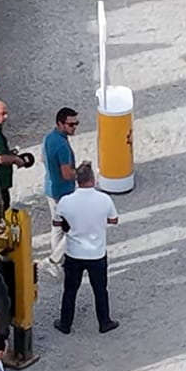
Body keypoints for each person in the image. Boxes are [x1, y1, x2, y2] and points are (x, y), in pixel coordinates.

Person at [54, 162, 120, 335]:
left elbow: (57, 223)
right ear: (92, 179)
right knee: (100, 289)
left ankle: (65, 324)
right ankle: (104, 322)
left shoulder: (66, 201)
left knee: (70, 290)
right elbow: (114, 220)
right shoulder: (104, 199)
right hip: (96, 253)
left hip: (74, 253)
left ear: (77, 181)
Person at [42, 107, 78, 275]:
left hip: (50, 188)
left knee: (57, 226)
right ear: (60, 123)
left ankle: (57, 262)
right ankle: (54, 259)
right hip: (63, 192)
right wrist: (81, 173)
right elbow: (66, 173)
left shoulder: (49, 138)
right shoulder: (62, 145)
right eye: (71, 124)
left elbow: (43, 159)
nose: (74, 127)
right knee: (74, 228)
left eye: (75, 123)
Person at [0, 100, 33, 208]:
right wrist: (15, 160)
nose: (6, 117)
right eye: (2, 114)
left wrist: (10, 154)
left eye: (6, 113)